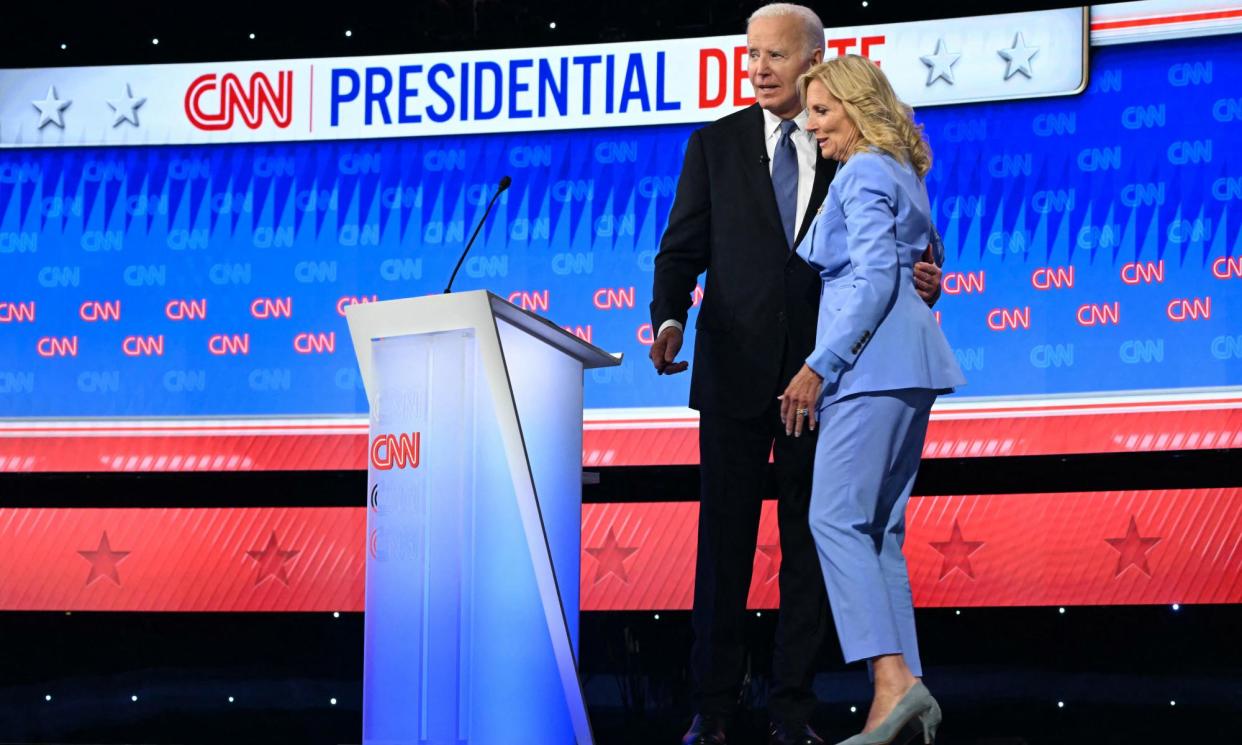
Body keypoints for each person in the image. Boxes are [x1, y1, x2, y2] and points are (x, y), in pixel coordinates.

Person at [648, 5, 944, 744]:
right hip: (736, 375)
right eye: (751, 54)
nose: (758, 68)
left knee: (816, 544)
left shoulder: (849, 146)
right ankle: (713, 708)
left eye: (775, 55)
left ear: (815, 59)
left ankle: (793, 709)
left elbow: (890, 251)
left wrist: (919, 277)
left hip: (826, 380)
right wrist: (668, 320)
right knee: (727, 547)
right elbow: (679, 250)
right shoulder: (715, 145)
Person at [777, 55, 966, 745]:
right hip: (910, 365)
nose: (814, 125)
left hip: (870, 366)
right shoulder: (903, 171)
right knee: (880, 534)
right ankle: (904, 699)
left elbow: (878, 277)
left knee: (831, 517)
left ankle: (891, 681)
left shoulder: (861, 171)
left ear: (857, 107)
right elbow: (924, 258)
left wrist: (818, 367)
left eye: (824, 110)